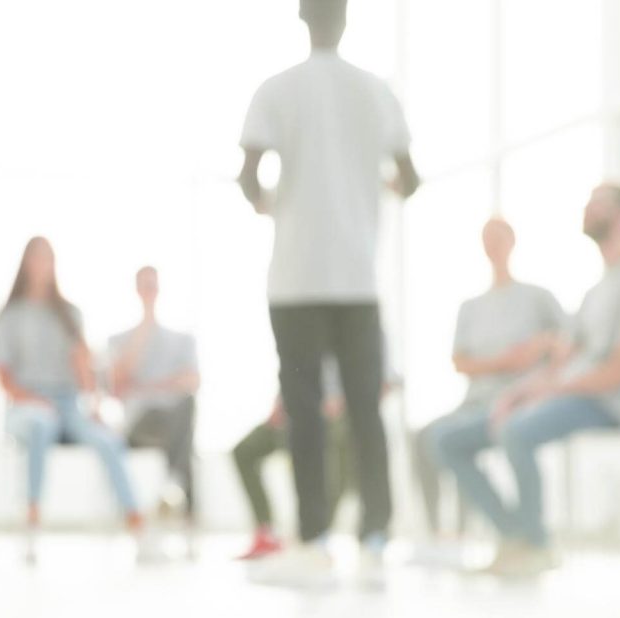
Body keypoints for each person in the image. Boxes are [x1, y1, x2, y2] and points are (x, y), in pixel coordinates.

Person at [237, 0, 419, 585]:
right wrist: (371, 186)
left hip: (295, 277)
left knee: (305, 412)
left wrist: (271, 204)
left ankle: (313, 536)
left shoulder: (275, 89)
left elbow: (248, 175)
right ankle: (375, 532)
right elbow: (409, 178)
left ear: (302, 19)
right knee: (367, 410)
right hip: (356, 277)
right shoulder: (377, 91)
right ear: (344, 20)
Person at [432, 184, 620, 577]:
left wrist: (549, 390)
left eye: (598, 204)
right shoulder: (595, 292)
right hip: (562, 397)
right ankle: (516, 537)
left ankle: (536, 546)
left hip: (605, 402)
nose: (587, 209)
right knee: (447, 440)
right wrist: (519, 391)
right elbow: (564, 360)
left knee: (514, 430)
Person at [0, 237, 152, 562]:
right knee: (40, 424)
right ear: (25, 264)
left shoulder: (69, 314)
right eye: (36, 259)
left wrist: (93, 407)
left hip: (68, 405)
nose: (42, 266)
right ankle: (32, 519)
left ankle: (136, 521)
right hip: (26, 404)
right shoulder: (10, 315)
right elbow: (3, 374)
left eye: (47, 259)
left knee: (108, 441)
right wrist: (32, 400)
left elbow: (83, 369)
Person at [414, 219, 565, 537]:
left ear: (513, 240)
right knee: (425, 437)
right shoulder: (471, 307)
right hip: (474, 401)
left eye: (498, 237)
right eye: (487, 239)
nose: (493, 244)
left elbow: (568, 344)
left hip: (519, 400)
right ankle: (440, 531)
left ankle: (522, 535)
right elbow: (460, 362)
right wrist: (504, 361)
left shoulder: (537, 297)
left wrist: (540, 347)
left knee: (478, 437)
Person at [233, 358, 355, 561]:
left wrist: (341, 401)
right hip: (295, 410)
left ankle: (316, 533)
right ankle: (266, 532)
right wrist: (280, 402)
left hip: (336, 416)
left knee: (334, 455)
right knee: (244, 450)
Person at [108, 266, 200, 521]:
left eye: (153, 284)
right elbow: (117, 386)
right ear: (137, 290)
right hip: (140, 424)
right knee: (182, 431)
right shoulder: (120, 339)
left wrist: (145, 386)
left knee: (186, 407)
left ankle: (172, 484)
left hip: (174, 417)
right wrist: (145, 325)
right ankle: (177, 487)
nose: (149, 290)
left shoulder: (181, 340)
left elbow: (192, 381)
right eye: (144, 285)